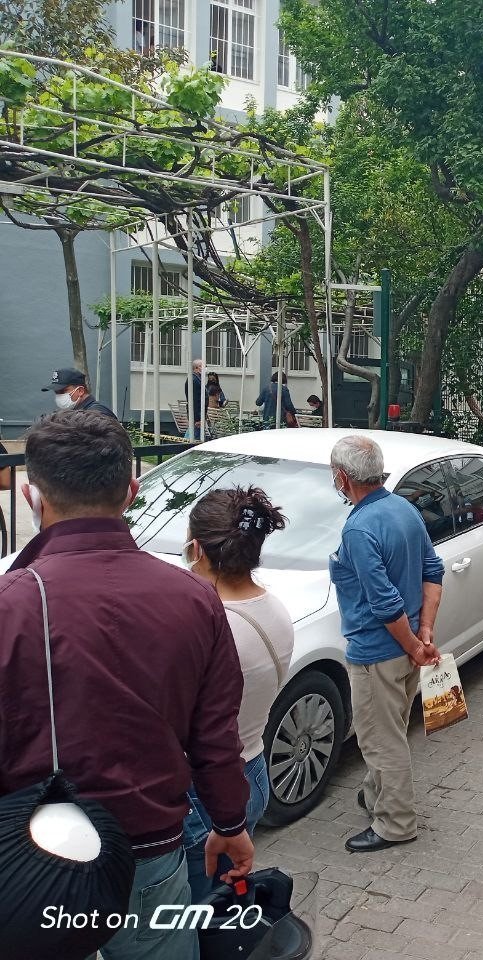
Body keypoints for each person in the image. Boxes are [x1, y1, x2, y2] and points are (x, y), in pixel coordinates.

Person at [0, 411, 251, 960]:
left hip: (31, 859)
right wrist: (230, 822)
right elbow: (215, 738)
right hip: (150, 850)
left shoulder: (12, 600)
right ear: (132, 491)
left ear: (30, 495)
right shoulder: (194, 598)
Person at [329, 435, 444, 852]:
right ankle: (376, 795)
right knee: (390, 729)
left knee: (381, 739)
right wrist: (424, 634)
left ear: (343, 477)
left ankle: (395, 822)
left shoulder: (360, 527)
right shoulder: (404, 508)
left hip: (380, 652)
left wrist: (415, 643)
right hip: (406, 648)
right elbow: (433, 570)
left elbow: (383, 602)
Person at [182, 486, 293, 900]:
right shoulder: (274, 607)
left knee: (194, 906)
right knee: (225, 894)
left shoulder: (211, 626)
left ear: (196, 549)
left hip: (206, 792)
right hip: (253, 770)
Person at [41, 367, 116, 419]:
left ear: (80, 391)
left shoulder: (96, 414)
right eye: (56, 392)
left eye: (62, 391)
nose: (59, 396)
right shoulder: (77, 412)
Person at [184, 359, 206, 438]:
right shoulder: (194, 380)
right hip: (197, 415)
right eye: (203, 366)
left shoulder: (197, 379)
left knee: (194, 434)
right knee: (193, 436)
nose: (205, 368)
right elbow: (195, 400)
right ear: (197, 368)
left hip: (198, 414)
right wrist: (197, 418)